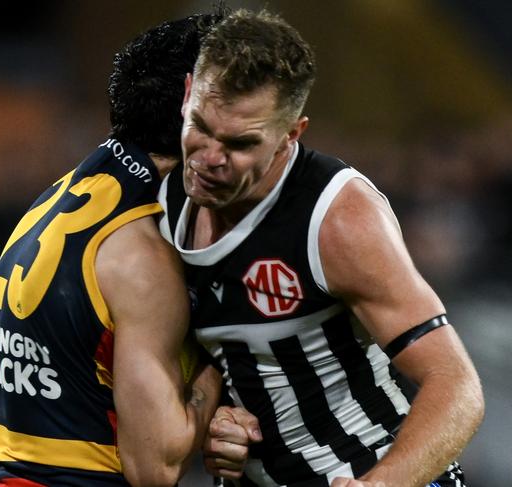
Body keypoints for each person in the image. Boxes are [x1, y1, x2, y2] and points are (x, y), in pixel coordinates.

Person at [158, 9, 485, 487]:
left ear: (291, 134)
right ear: (188, 94)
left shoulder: (338, 217)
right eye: (201, 127)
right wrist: (214, 417)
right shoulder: (161, 202)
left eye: (241, 143)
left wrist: (380, 486)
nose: (209, 159)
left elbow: (457, 386)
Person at [0, 12, 241, 487]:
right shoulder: (140, 251)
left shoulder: (56, 199)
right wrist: (222, 357)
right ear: (196, 106)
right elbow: (155, 467)